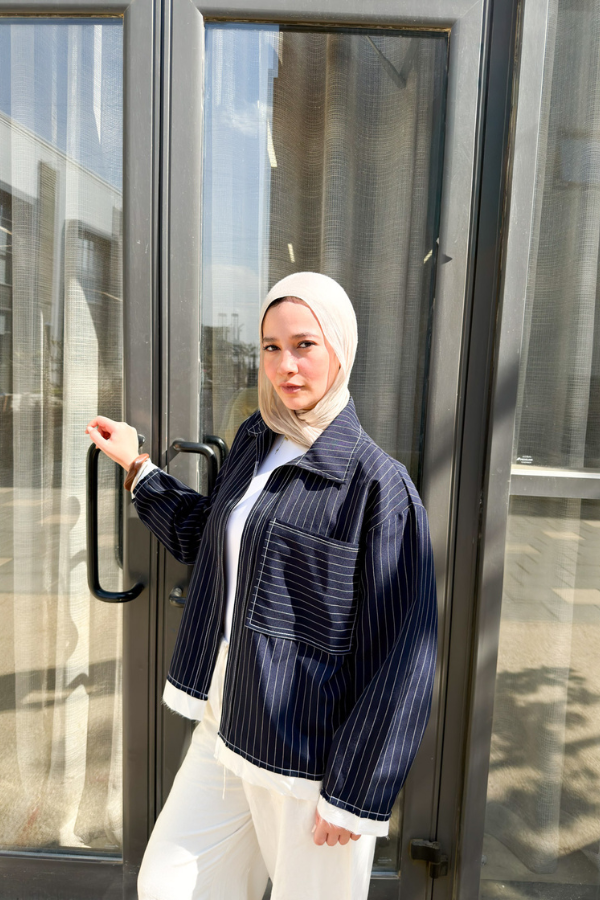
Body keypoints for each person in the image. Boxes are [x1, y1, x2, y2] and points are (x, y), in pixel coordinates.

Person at [86, 272, 437, 900]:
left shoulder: (378, 489)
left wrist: (354, 794)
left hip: (306, 763)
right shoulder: (256, 440)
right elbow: (215, 547)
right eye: (271, 347)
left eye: (305, 345)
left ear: (340, 349)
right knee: (168, 886)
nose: (285, 365)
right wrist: (140, 469)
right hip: (223, 727)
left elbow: (403, 658)